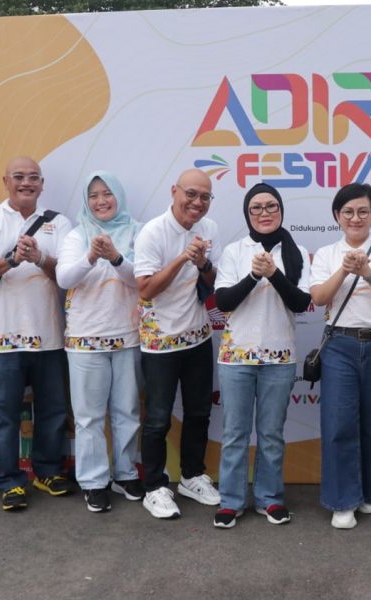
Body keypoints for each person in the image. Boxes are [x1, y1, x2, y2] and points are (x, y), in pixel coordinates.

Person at [0, 157, 73, 511]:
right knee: (3, 414)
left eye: (33, 177)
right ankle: (9, 481)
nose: (26, 183)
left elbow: (69, 276)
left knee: (53, 410)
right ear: (5, 181)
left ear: (42, 184)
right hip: (1, 338)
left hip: (50, 336)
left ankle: (47, 472)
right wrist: (11, 260)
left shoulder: (59, 223)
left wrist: (40, 258)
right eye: (19, 177)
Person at [212, 183, 311, 529]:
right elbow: (223, 301)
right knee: (235, 434)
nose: (264, 213)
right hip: (236, 357)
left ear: (281, 210)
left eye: (271, 206)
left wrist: (274, 274)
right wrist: (254, 275)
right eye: (256, 207)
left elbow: (301, 302)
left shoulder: (297, 252)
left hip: (279, 359)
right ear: (247, 213)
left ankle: (270, 498)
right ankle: (231, 501)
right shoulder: (235, 251)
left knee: (271, 435)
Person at [310, 183, 371, 530]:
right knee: (338, 424)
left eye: (363, 211)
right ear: (337, 216)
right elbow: (319, 298)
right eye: (348, 212)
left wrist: (368, 271)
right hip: (340, 345)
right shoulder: (326, 253)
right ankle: (342, 502)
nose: (356, 218)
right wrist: (345, 270)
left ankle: (369, 492)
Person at [133, 168, 222, 519]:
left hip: (198, 336)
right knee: (158, 418)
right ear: (174, 191)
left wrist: (203, 263)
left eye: (205, 197)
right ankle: (154, 486)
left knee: (199, 411)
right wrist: (183, 258)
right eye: (191, 194)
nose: (197, 203)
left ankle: (191, 476)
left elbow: (214, 281)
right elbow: (145, 290)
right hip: (160, 342)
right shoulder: (153, 232)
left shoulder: (209, 228)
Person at [56, 171, 145, 513]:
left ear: (118, 195)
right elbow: (64, 278)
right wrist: (91, 256)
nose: (101, 201)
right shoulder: (77, 235)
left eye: (107, 193)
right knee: (89, 417)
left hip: (128, 335)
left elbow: (141, 279)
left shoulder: (138, 231)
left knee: (128, 411)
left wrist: (116, 257)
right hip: (85, 339)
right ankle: (93, 482)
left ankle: (125, 474)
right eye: (93, 195)